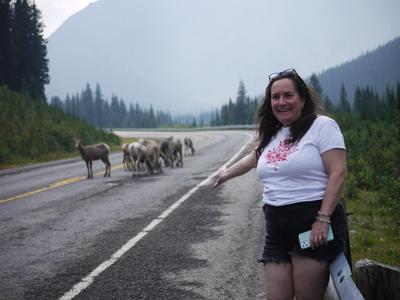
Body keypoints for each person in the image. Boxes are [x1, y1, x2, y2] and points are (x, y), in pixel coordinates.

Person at [214, 68, 348, 300]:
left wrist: (323, 219)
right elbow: (252, 159)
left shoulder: (322, 126)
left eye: (288, 95)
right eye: (275, 97)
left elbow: (338, 172)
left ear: (303, 99)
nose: (281, 102)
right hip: (276, 227)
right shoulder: (273, 133)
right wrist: (227, 172)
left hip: (312, 224)